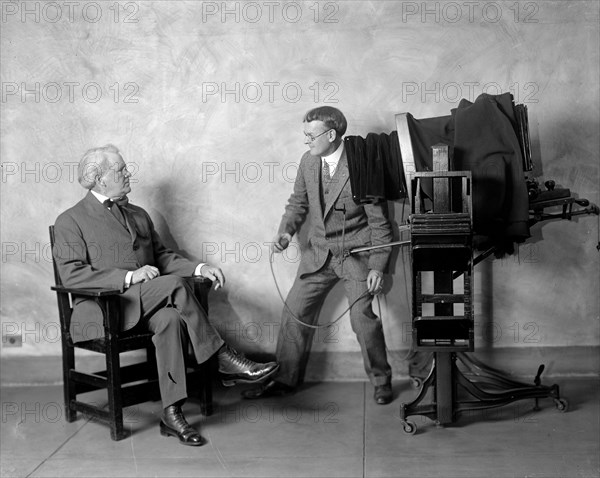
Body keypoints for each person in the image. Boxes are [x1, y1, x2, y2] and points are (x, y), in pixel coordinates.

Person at [53, 144, 278, 446]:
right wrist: (130, 276)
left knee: (171, 318)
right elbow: (72, 274)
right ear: (99, 179)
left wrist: (199, 268)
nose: (127, 172)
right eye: (120, 169)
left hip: (148, 304)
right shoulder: (72, 220)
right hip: (105, 310)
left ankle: (172, 413)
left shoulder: (138, 215)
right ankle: (223, 358)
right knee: (173, 286)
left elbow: (162, 257)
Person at [242, 106, 394, 404]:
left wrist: (377, 266)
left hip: (355, 254)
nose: (306, 141)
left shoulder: (362, 165)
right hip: (318, 254)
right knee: (294, 312)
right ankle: (285, 380)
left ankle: (381, 380)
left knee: (362, 320)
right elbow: (298, 202)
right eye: (305, 135)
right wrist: (285, 232)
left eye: (310, 135)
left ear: (332, 134)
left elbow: (380, 223)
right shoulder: (308, 162)